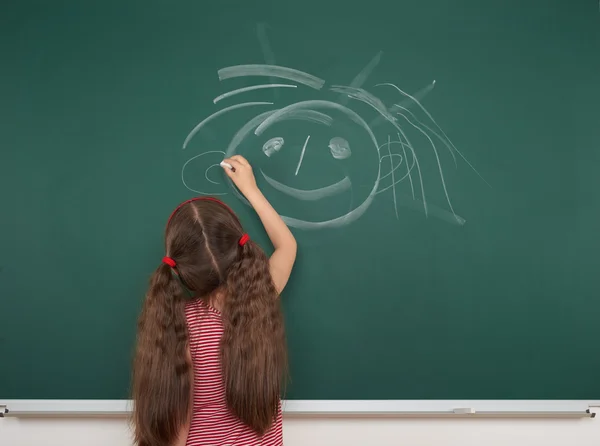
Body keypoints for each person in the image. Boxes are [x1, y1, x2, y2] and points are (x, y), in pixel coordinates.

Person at [131, 155, 297, 446]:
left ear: (181, 269)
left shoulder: (180, 325)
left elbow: (177, 424)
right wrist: (250, 189)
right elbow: (287, 245)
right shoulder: (260, 301)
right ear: (238, 248)